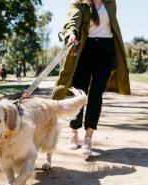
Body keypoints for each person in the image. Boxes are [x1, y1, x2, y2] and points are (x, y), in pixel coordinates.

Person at [51, 0, 130, 156]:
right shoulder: (79, 4)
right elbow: (72, 21)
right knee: (80, 94)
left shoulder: (110, 2)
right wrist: (71, 34)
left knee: (95, 95)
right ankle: (74, 133)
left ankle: (88, 138)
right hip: (85, 51)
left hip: (106, 51)